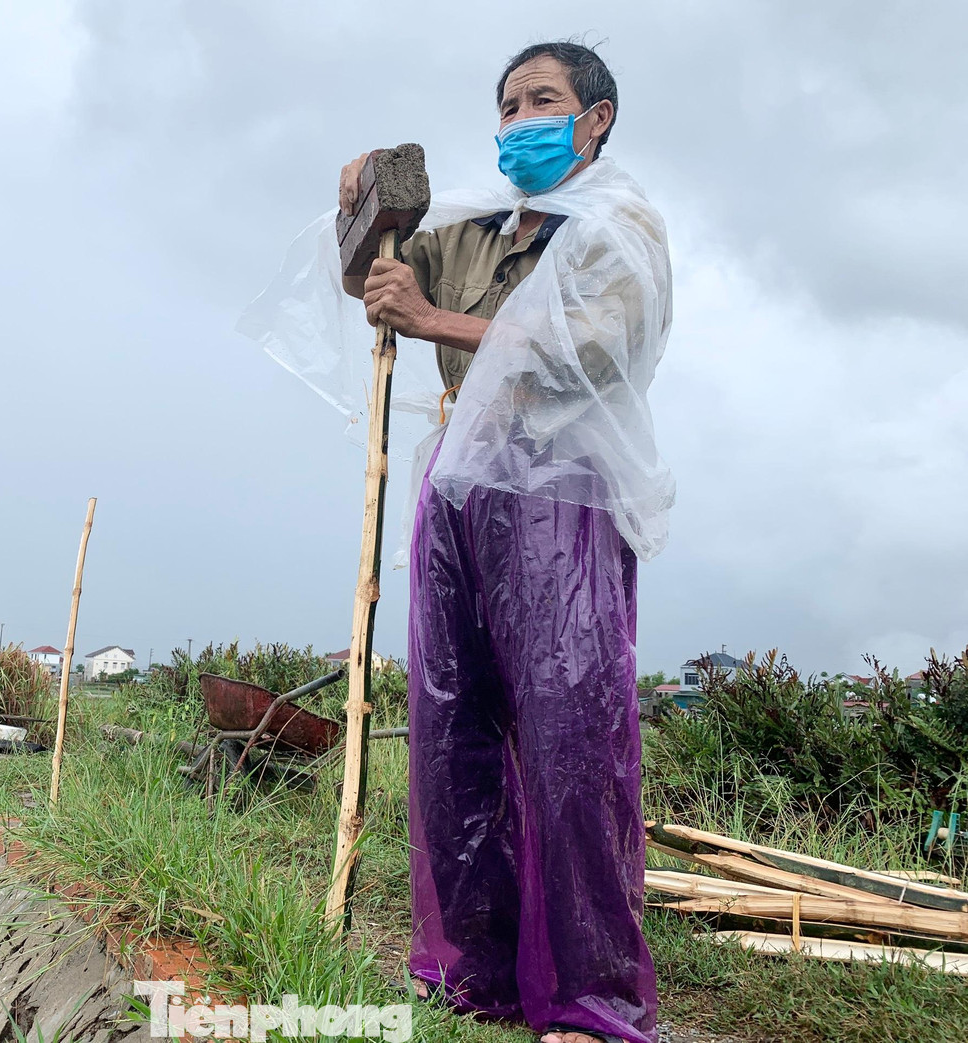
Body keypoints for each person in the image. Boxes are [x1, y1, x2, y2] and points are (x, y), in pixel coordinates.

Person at [339, 42, 666, 1043]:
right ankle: (471, 971)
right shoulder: (475, 228)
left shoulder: (618, 225)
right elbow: (373, 282)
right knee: (449, 723)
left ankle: (587, 997)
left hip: (560, 488)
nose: (520, 118)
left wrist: (435, 315)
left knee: (570, 733)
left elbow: (602, 346)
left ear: (594, 119)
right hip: (461, 481)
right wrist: (358, 212)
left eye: (545, 101)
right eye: (509, 102)